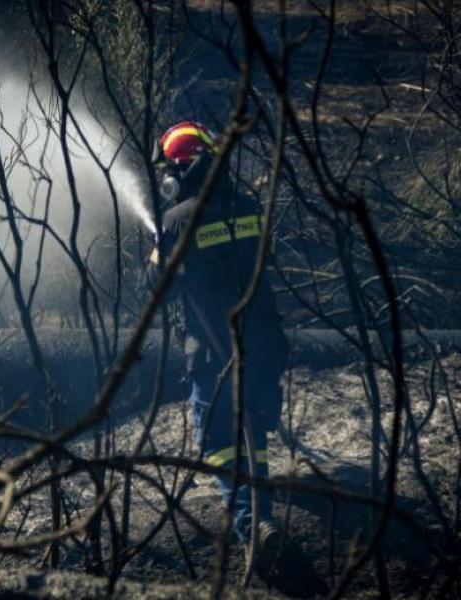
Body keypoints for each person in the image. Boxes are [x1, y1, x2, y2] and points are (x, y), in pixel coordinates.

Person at [147, 120, 289, 551]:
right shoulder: (248, 207)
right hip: (263, 344)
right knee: (253, 432)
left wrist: (157, 254)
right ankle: (261, 507)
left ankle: (253, 527)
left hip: (214, 353)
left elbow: (157, 289)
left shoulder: (176, 221)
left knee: (220, 440)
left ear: (180, 171)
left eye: (167, 173)